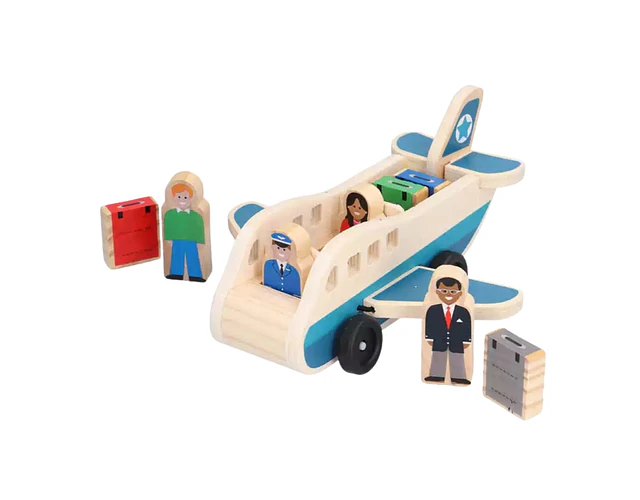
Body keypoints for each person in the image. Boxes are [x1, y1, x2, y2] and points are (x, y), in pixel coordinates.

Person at [424, 276, 472, 384]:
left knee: (457, 358)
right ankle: (436, 375)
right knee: (438, 357)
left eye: (453, 292)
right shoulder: (433, 310)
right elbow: (429, 324)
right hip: (439, 339)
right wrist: (429, 337)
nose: (449, 295)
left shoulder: (463, 311)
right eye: (444, 291)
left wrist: (467, 340)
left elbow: (466, 327)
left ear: (459, 293)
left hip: (457, 341)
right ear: (437, 292)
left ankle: (459, 377)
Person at [164, 183, 205, 282]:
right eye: (179, 197)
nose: (182, 200)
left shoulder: (196, 216)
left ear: (191, 198)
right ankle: (175, 273)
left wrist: (200, 241)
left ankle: (195, 275)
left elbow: (200, 228)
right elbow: (168, 226)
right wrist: (168, 238)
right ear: (174, 197)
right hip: (176, 240)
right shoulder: (170, 214)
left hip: (191, 240)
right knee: (176, 256)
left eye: (186, 197)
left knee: (193, 257)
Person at [263, 233, 301, 297]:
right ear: (273, 247)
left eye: (284, 249)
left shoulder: (293, 270)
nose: (281, 252)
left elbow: (296, 292)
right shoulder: (268, 264)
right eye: (278, 248)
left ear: (290, 252)